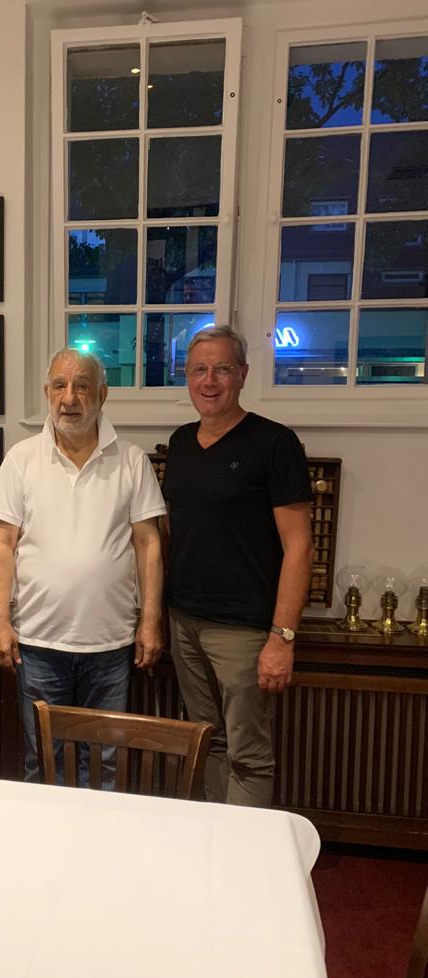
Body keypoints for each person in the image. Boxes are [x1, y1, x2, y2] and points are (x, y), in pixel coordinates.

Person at [0, 347, 166, 783]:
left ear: (102, 395)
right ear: (47, 392)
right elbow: (3, 543)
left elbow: (149, 543)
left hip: (110, 645)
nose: (69, 398)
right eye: (60, 386)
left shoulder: (131, 460)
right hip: (38, 643)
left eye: (82, 386)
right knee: (44, 761)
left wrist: (151, 622)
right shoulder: (22, 459)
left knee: (104, 763)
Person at [162, 324, 313, 809]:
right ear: (187, 377)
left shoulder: (274, 443)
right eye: (199, 370)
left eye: (222, 369)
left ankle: (247, 849)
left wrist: (282, 638)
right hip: (184, 621)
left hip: (245, 631)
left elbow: (300, 547)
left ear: (243, 374)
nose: (209, 381)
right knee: (207, 741)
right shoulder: (180, 443)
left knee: (247, 754)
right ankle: (216, 839)